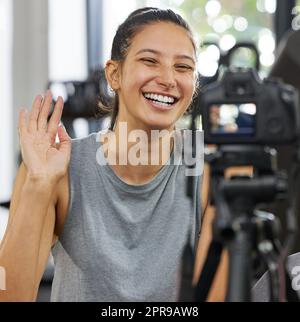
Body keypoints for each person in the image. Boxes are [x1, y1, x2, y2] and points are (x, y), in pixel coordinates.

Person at [0, 7, 226, 302]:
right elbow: (10, 295)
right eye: (149, 61)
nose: (168, 79)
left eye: (183, 67)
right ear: (114, 74)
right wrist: (39, 184)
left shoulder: (210, 168)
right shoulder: (58, 167)